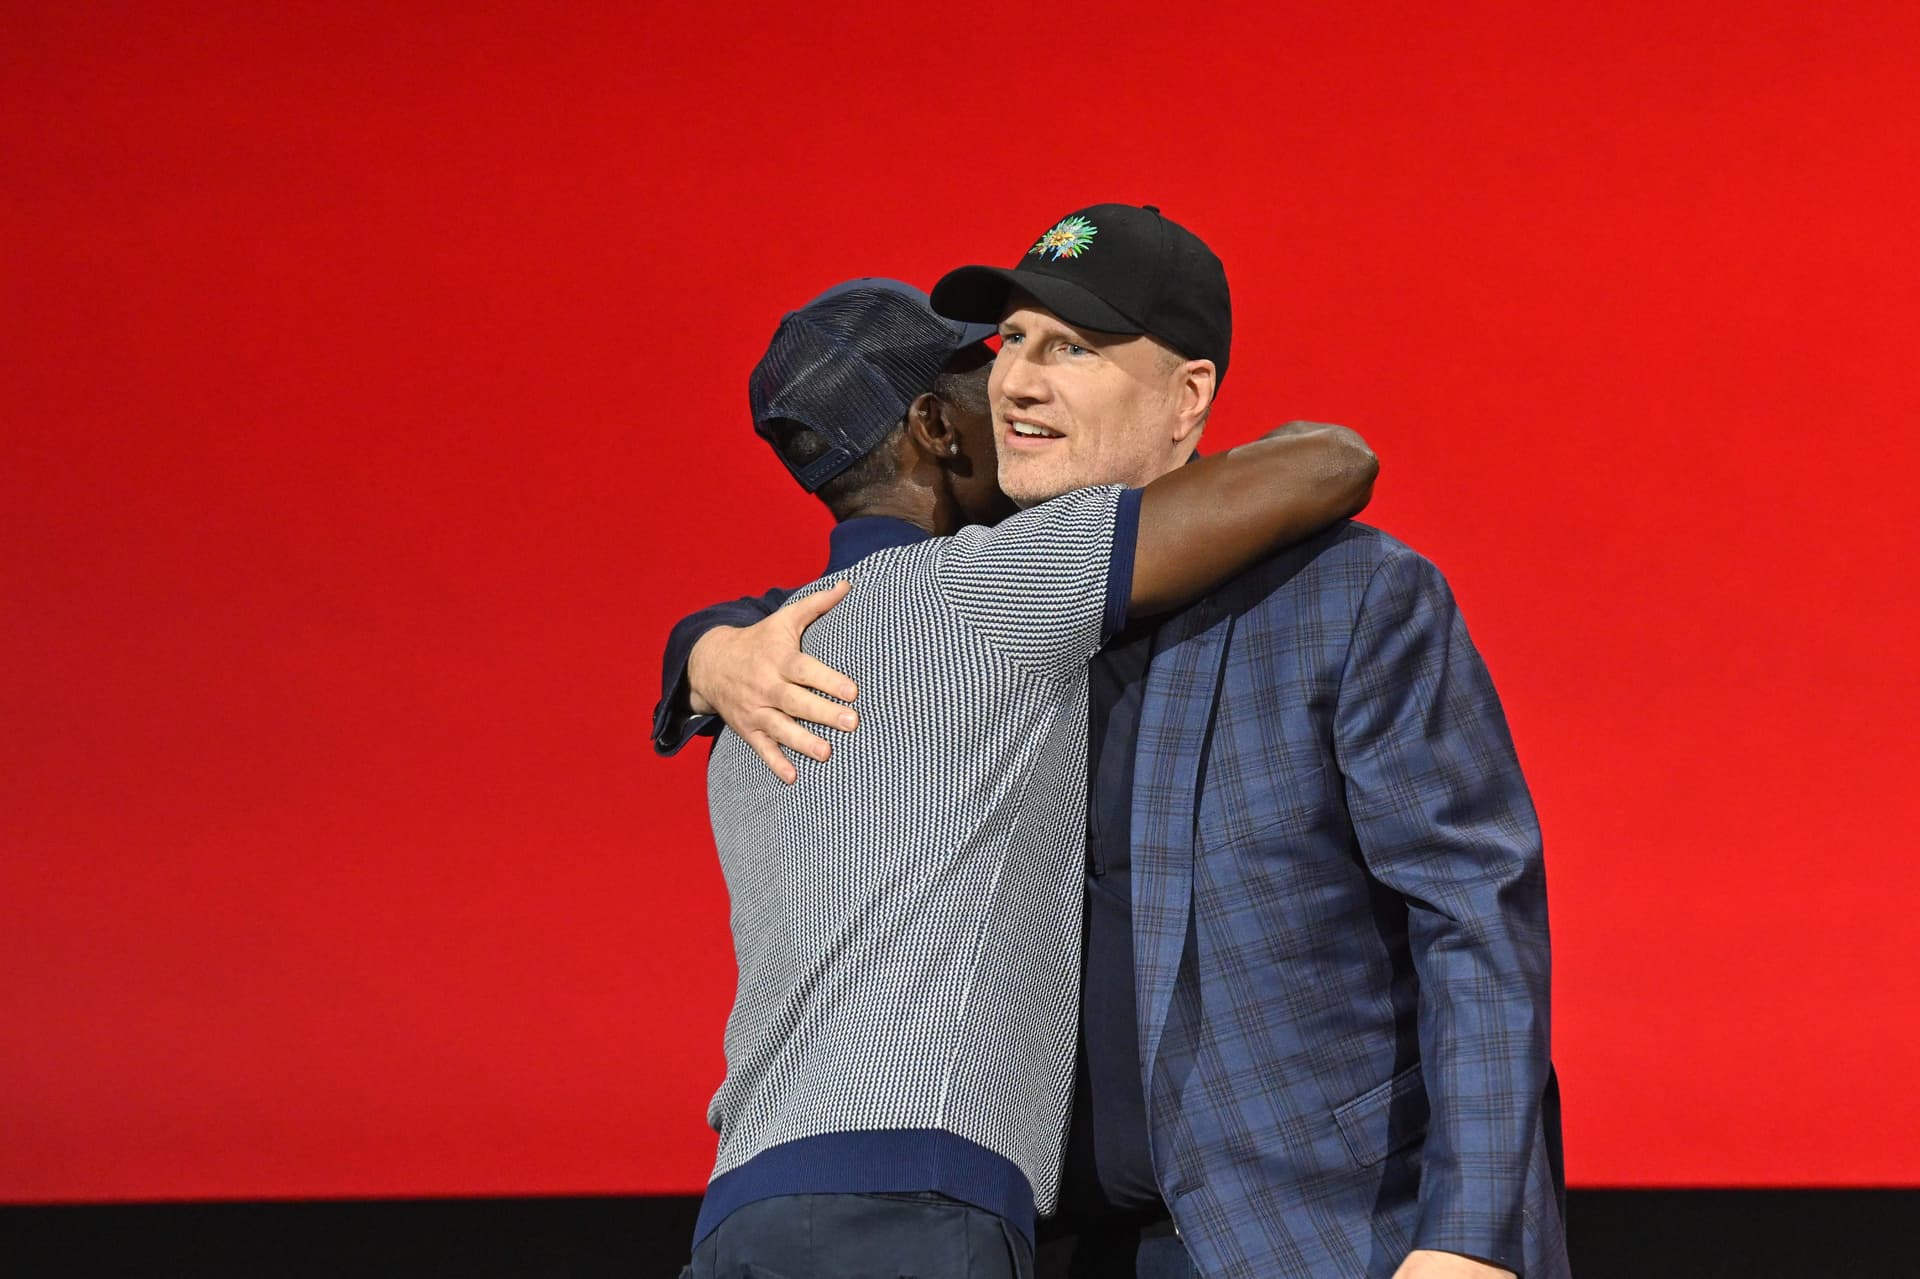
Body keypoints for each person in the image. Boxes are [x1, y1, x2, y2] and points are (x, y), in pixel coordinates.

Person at [657, 206, 1570, 1279]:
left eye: (1073, 349)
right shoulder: (970, 604)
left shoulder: (1351, 596)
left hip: (1325, 1239)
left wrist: (1469, 1238)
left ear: (1188, 396)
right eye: (1010, 346)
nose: (1018, 382)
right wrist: (705, 653)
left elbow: (1474, 915)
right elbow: (826, 603)